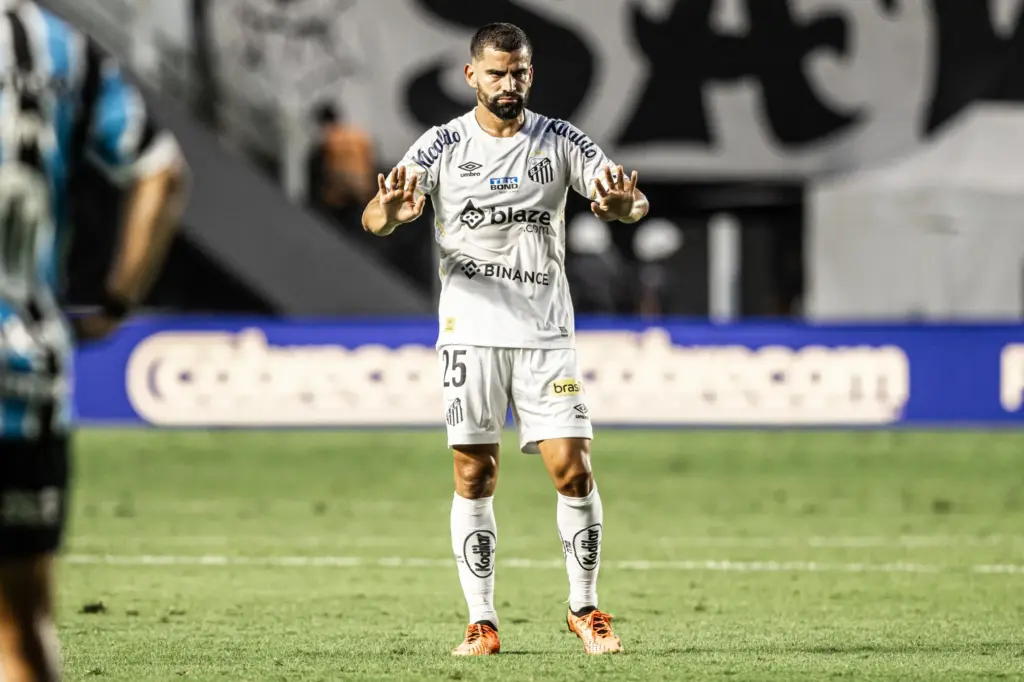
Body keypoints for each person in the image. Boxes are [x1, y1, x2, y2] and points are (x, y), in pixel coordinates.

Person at [362, 22, 649, 656]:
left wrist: (621, 207)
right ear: (472, 77)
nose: (508, 83)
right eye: (496, 73)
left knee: (573, 469)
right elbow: (375, 216)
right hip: (470, 334)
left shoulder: (560, 140)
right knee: (475, 473)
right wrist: (392, 213)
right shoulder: (441, 146)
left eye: (518, 72)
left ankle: (585, 609)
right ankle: (482, 623)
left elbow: (628, 202)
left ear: (530, 74)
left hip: (547, 333)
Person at [0, 3, 189, 680]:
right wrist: (115, 299)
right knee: (20, 626)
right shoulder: (61, 50)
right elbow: (161, 172)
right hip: (22, 366)